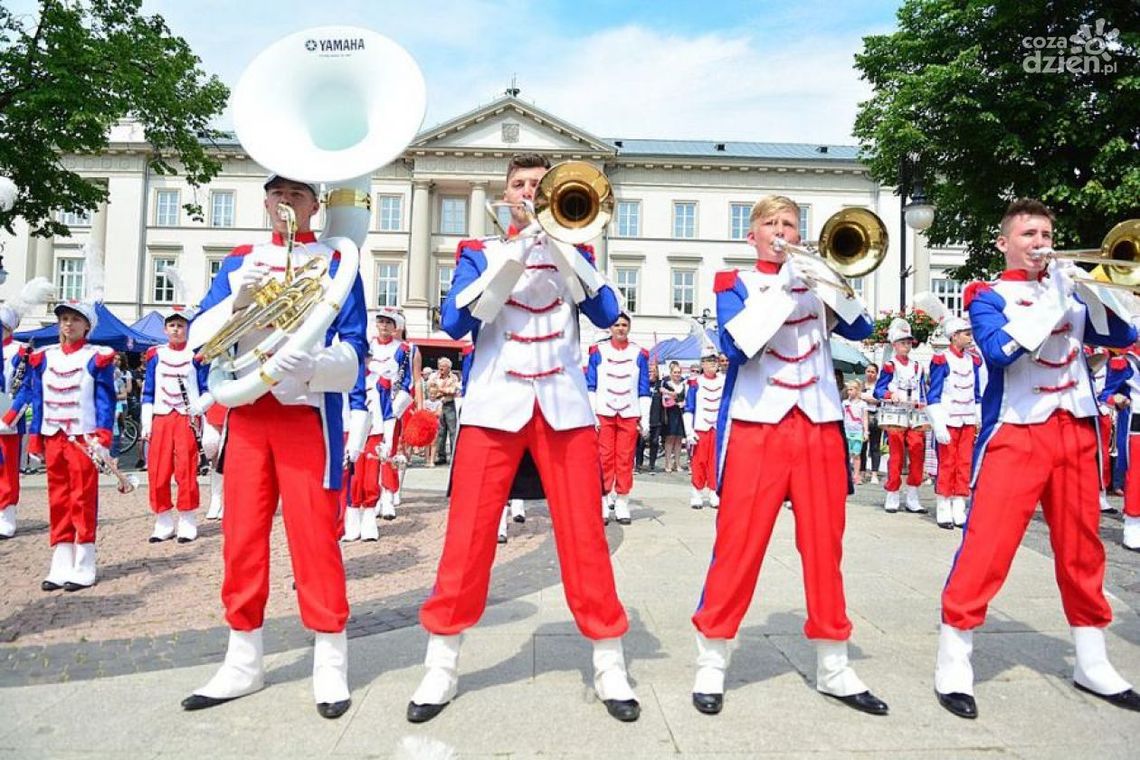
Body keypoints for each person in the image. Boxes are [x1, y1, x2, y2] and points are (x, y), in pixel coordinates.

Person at [408, 153, 640, 725]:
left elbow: (609, 310)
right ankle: (441, 662)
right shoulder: (477, 253)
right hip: (494, 407)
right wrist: (514, 255)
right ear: (505, 195)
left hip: (562, 407)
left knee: (585, 535)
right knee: (467, 536)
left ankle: (609, 661)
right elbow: (457, 323)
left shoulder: (578, 252)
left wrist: (561, 246)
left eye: (541, 186)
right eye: (521, 186)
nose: (531, 193)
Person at [935, 199, 1140, 720]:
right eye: (1029, 233)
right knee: (988, 546)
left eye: (1046, 232)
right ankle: (955, 658)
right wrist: (1055, 298)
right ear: (1005, 242)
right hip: (1016, 432)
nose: (1041, 241)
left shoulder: (1069, 290)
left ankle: (1091, 660)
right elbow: (1002, 351)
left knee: (1082, 548)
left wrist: (1093, 289)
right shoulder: (986, 293)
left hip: (1075, 431)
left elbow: (1122, 336)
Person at [690, 195, 887, 717]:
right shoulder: (732, 284)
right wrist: (787, 283)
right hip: (758, 425)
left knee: (826, 548)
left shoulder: (818, 278)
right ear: (751, 236)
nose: (781, 232)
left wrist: (822, 277)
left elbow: (863, 328)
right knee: (739, 545)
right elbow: (737, 347)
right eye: (770, 225)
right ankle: (712, 656)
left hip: (819, 424)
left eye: (790, 225)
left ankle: (834, 665)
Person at [181, 174, 368, 720]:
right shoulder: (239, 259)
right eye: (277, 194)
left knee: (315, 538)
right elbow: (198, 339)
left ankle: (330, 659)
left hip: (305, 417)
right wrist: (236, 303)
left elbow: (355, 348)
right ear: (265, 201)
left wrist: (314, 366)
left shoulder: (340, 262)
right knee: (240, 539)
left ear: (316, 204)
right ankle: (242, 660)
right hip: (246, 415)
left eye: (298, 195)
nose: (286, 203)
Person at [2, 299, 116, 591]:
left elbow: (105, 401)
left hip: (83, 438)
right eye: (64, 319)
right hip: (53, 436)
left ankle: (85, 560)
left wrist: (103, 436)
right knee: (58, 498)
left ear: (87, 325)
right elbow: (36, 397)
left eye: (75, 319)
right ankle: (61, 558)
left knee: (82, 498)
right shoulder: (43, 357)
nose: (68, 324)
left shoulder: (97, 357)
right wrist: (36, 439)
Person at [141, 308, 211, 544]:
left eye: (181, 325)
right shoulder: (156, 356)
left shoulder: (196, 356)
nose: (176, 329)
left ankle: (187, 520)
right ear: (165, 329)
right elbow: (148, 391)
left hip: (186, 419)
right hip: (161, 418)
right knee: (158, 472)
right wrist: (146, 421)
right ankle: (163, 521)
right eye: (172, 325)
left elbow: (207, 389)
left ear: (187, 329)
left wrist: (199, 408)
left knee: (186, 470)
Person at [0, 277, 53, 538]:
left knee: (7, 468)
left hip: (7, 417)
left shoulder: (22, 352)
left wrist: (10, 416)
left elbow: (27, 387)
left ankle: (6, 514)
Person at [587, 312, 650, 525]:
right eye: (616, 325)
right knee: (604, 458)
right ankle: (603, 500)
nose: (620, 328)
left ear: (629, 328)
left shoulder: (640, 353)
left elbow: (643, 388)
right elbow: (591, 384)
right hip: (604, 412)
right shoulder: (598, 351)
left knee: (625, 459)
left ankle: (622, 501)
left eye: (624, 325)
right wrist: (592, 412)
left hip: (629, 412)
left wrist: (646, 418)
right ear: (610, 328)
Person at [925, 317, 981, 529]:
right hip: (948, 419)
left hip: (967, 419)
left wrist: (978, 415)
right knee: (947, 463)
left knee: (965, 463)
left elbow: (975, 392)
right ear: (954, 336)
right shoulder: (941, 359)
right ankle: (943, 507)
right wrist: (938, 422)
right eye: (966, 333)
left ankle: (959, 507)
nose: (970, 337)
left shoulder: (973, 360)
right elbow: (934, 393)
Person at [873, 321, 928, 514]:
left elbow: (922, 389)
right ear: (894, 344)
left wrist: (924, 403)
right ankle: (893, 493)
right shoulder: (890, 366)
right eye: (902, 342)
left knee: (917, 450)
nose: (906, 345)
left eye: (908, 342)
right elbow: (878, 390)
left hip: (915, 414)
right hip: (896, 414)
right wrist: (890, 395)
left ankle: (913, 495)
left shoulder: (918, 366)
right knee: (896, 454)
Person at [1099, 349, 1140, 550]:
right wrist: (1116, 399)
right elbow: (1105, 392)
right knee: (1136, 477)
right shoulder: (1127, 362)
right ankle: (1132, 529)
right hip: (1136, 428)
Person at [683, 354, 723, 509]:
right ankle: (697, 493)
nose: (713, 364)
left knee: (715, 461)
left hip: (717, 428)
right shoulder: (695, 383)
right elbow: (689, 407)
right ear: (702, 364)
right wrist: (689, 431)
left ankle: (714, 492)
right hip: (700, 427)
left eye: (714, 361)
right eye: (709, 361)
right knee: (699, 461)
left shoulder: (724, 381)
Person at [659, 360, 687, 472]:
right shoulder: (666, 384)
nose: (677, 374)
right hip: (669, 413)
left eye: (679, 372)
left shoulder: (684, 384)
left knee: (679, 439)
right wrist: (671, 394)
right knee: (670, 438)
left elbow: (687, 397)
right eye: (675, 372)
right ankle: (668, 463)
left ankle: (678, 463)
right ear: (671, 373)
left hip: (680, 413)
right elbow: (661, 391)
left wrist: (683, 403)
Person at [431, 358, 460, 464]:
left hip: (449, 405)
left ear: (449, 367)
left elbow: (453, 391)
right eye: (439, 365)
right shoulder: (434, 376)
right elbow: (432, 389)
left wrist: (441, 390)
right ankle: (441, 456)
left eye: (443, 366)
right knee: (440, 432)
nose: (440, 368)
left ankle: (453, 456)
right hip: (438, 405)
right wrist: (444, 391)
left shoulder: (454, 377)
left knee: (452, 431)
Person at [859, 364, 882, 484]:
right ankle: (862, 472)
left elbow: (880, 400)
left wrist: (866, 399)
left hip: (876, 418)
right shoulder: (861, 386)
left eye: (873, 372)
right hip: (862, 418)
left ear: (876, 374)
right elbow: (856, 397)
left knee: (875, 446)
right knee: (862, 446)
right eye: (868, 371)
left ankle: (874, 473)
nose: (870, 374)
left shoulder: (880, 386)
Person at [842, 381, 868, 486]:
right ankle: (846, 475)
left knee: (856, 454)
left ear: (857, 390)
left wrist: (866, 432)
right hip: (847, 430)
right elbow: (843, 416)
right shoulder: (845, 403)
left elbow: (865, 418)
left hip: (857, 431)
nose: (849, 392)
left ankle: (856, 475)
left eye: (851, 389)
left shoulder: (863, 404)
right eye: (848, 389)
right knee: (846, 454)